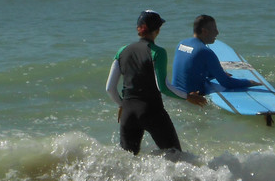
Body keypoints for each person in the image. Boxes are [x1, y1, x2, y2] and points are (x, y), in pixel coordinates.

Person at [106, 10, 203, 156]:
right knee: (176, 156)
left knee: (128, 160)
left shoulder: (122, 51)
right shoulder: (158, 52)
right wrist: (188, 96)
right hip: (152, 112)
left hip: (128, 113)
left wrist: (122, 105)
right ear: (157, 30)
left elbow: (110, 88)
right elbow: (163, 86)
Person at [171, 14, 262, 97]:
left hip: (175, 94)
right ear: (204, 31)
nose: (217, 32)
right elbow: (227, 83)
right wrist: (249, 82)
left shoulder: (181, 44)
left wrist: (213, 74)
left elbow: (192, 68)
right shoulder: (205, 51)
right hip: (194, 99)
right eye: (214, 29)